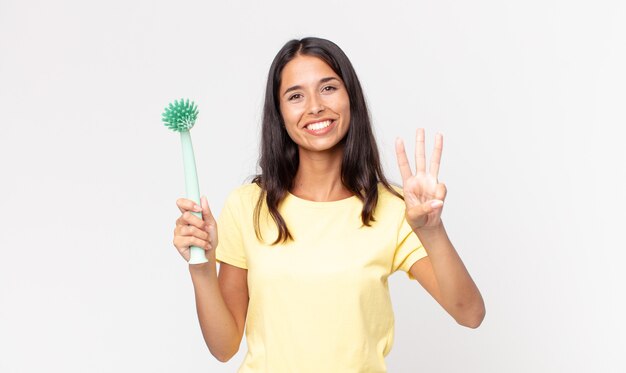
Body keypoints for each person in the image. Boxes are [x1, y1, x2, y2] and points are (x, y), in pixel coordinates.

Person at [172, 37, 485, 372]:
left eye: (328, 88)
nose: (315, 106)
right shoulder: (247, 206)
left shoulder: (394, 209)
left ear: (350, 97)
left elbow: (469, 313)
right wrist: (201, 270)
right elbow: (224, 347)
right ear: (279, 113)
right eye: (295, 96)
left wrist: (432, 231)